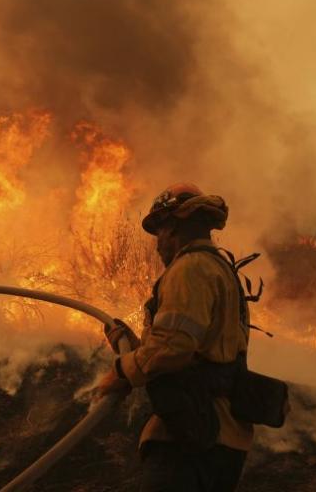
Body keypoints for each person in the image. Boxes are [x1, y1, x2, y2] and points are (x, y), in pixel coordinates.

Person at [97, 183, 252, 492]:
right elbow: (195, 353)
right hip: (221, 435)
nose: (157, 245)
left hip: (192, 434)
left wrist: (121, 372)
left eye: (160, 233)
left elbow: (173, 348)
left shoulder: (190, 268)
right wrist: (135, 345)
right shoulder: (220, 271)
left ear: (174, 227)